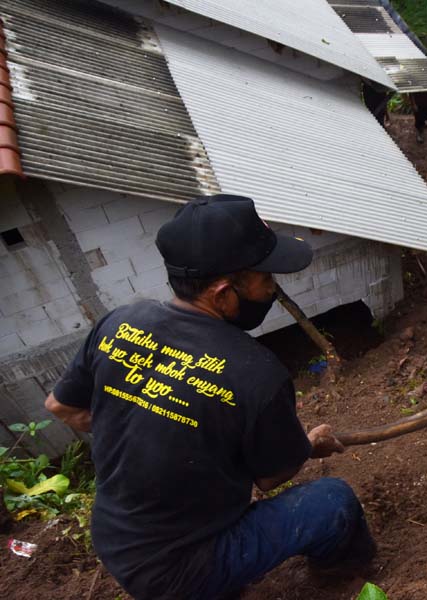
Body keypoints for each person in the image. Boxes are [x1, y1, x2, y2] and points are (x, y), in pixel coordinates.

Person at [44, 195, 375, 599]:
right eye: (265, 279)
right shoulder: (256, 374)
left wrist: (145, 427)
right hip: (180, 565)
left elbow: (61, 406)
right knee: (332, 499)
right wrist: (305, 445)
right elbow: (269, 477)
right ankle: (339, 576)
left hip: (115, 537)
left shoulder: (121, 322)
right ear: (221, 293)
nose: (273, 288)